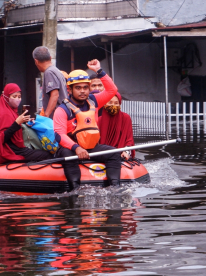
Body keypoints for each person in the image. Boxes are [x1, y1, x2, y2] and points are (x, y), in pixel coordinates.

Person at [53, 59, 122, 190]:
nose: (83, 91)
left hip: (90, 147)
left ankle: (115, 188)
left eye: (85, 87)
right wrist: (76, 148)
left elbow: (112, 90)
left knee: (113, 153)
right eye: (78, 88)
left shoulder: (94, 101)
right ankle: (75, 189)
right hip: (70, 148)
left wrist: (98, 71)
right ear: (70, 89)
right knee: (69, 155)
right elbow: (59, 135)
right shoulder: (62, 110)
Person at [0, 84, 53, 164]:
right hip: (12, 151)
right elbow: (2, 138)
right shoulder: (4, 114)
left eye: (19, 97)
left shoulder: (11, 111)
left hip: (17, 148)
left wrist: (25, 122)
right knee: (46, 155)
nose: (17, 99)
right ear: (6, 97)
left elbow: (13, 126)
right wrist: (17, 123)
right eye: (14, 96)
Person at [33, 46, 68, 119]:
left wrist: (46, 115)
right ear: (50, 57)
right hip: (63, 113)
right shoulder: (56, 70)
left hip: (56, 117)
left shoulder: (49, 72)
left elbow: (55, 95)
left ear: (36, 61)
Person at [98, 94, 135, 160]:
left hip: (120, 154)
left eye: (116, 103)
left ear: (119, 104)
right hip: (102, 153)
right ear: (105, 104)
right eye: (110, 102)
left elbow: (129, 139)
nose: (113, 105)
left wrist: (126, 152)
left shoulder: (126, 118)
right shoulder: (99, 120)